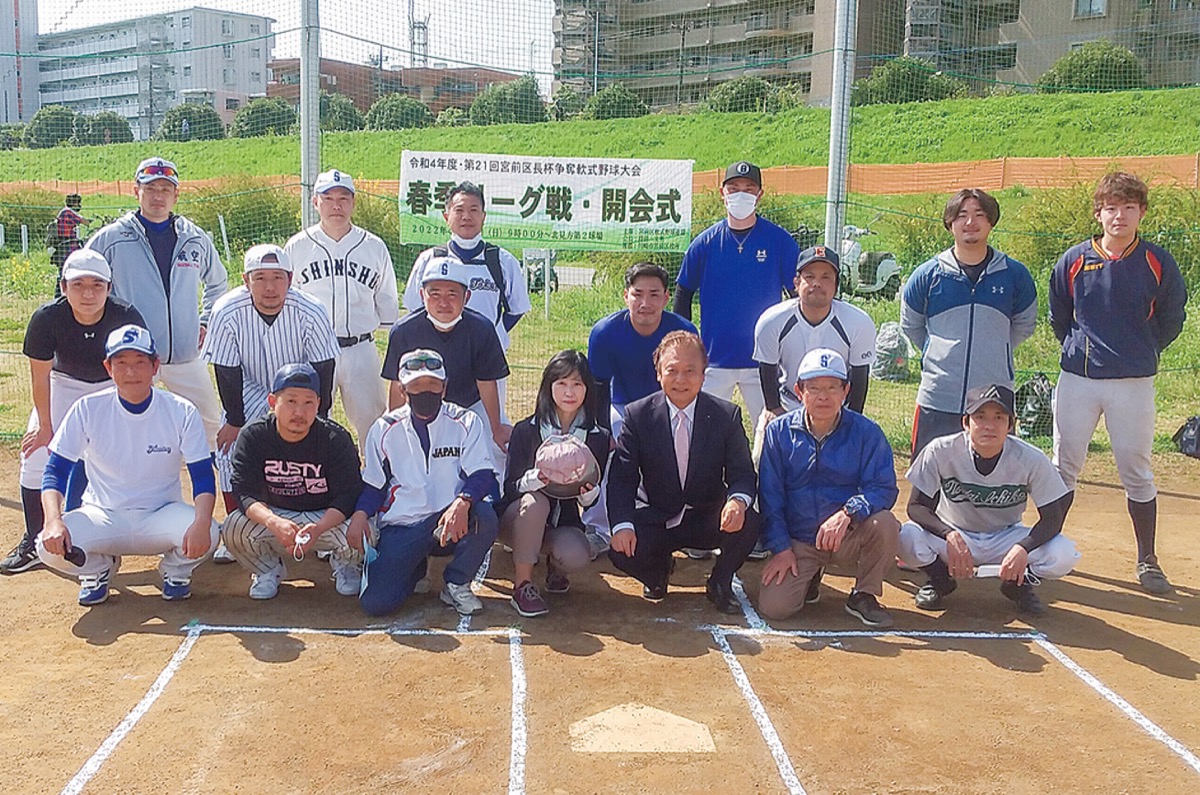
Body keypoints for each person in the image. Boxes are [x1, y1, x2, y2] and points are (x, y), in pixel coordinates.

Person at [1049, 172, 1187, 594]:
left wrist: (1141, 350)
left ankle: (1147, 559)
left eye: (1129, 207)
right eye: (1111, 207)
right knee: (1062, 467)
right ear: (1099, 213)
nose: (1119, 215)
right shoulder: (1074, 259)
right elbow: (1060, 317)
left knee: (1136, 470)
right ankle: (1046, 548)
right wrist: (1080, 350)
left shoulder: (1157, 261)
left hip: (1133, 382)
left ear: (1141, 212)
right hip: (1079, 379)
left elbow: (1172, 317)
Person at [35, 324, 219, 605]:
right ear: (108, 367)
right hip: (103, 515)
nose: (131, 372)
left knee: (211, 531)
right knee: (45, 546)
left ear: (155, 365)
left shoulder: (181, 410)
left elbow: (203, 477)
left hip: (161, 515)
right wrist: (53, 521)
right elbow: (55, 472)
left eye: (139, 362)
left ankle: (175, 570)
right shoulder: (87, 408)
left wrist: (202, 521)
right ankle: (98, 570)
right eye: (121, 363)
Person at [1, 250, 145, 575]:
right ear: (64, 287)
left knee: (110, 457)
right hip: (63, 384)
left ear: (110, 287)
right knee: (36, 455)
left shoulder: (125, 315)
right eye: (78, 284)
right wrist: (45, 427)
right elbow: (40, 377)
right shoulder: (46, 318)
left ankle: (107, 535)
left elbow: (137, 369)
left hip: (111, 386)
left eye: (97, 284)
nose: (89, 293)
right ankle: (34, 539)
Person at [607, 331, 760, 614]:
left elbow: (742, 473)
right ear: (658, 374)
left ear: (704, 374)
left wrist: (737, 501)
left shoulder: (726, 416)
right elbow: (622, 478)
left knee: (750, 520)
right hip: (658, 517)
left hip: (708, 516)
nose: (681, 379)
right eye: (672, 370)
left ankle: (720, 581)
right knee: (619, 547)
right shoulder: (637, 415)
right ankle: (658, 573)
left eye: (690, 371)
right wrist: (622, 524)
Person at [901, 384, 1080, 616]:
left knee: (1063, 553)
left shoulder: (1030, 458)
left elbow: (1053, 518)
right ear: (966, 422)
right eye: (980, 416)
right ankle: (939, 580)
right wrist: (949, 534)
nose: (989, 425)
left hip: (1005, 537)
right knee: (906, 537)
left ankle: (1018, 585)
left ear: (1010, 424)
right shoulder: (941, 450)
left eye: (999, 417)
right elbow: (915, 507)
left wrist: (1022, 549)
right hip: (956, 534)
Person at [86, 157, 226, 450]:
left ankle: (218, 489)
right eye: (150, 189)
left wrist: (205, 320)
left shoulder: (195, 238)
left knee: (212, 425)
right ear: (135, 191)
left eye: (165, 189)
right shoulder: (111, 238)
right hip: (132, 354)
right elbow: (83, 281)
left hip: (185, 354)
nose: (158, 196)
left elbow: (218, 282)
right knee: (115, 424)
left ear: (176, 194)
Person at [758, 348, 901, 627]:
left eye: (832, 387)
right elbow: (770, 497)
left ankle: (864, 594)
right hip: (800, 540)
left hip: (847, 536)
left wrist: (848, 512)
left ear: (846, 390)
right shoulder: (777, 433)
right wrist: (781, 548)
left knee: (885, 523)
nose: (823, 396)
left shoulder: (867, 432)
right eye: (814, 387)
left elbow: (884, 488)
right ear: (799, 391)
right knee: (775, 608)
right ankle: (809, 575)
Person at [353, 349, 500, 617]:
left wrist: (462, 501)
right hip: (403, 526)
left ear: (444, 388)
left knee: (485, 515)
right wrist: (361, 515)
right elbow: (374, 485)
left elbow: (482, 474)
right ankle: (415, 567)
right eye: (416, 386)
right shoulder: (383, 429)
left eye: (433, 385)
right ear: (402, 390)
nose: (425, 392)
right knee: (376, 604)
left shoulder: (466, 421)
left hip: (451, 519)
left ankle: (456, 582)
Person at [201, 244, 340, 512]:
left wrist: (319, 417)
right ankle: (235, 522)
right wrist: (234, 420)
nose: (270, 287)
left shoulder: (312, 309)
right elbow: (227, 371)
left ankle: (320, 518)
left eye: (278, 277)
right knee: (229, 449)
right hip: (250, 388)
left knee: (321, 449)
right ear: (245, 281)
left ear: (290, 278)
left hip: (301, 390)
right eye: (260, 278)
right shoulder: (226, 310)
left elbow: (324, 368)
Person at [900, 188, 1038, 458]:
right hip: (938, 396)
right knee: (928, 484)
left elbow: (1024, 325)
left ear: (991, 222)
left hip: (993, 401)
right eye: (962, 215)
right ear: (950, 223)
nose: (970, 222)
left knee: (992, 482)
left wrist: (995, 349)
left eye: (979, 215)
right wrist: (938, 354)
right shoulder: (928, 275)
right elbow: (911, 325)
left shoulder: (1014, 275)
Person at [224, 363, 365, 600]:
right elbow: (244, 492)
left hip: (324, 517)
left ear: (318, 404)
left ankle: (345, 564)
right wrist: (273, 521)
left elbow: (349, 495)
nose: (299, 412)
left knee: (366, 528)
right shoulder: (254, 435)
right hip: (277, 515)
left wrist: (320, 528)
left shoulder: (335, 438)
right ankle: (267, 569)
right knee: (233, 527)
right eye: (291, 401)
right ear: (272, 402)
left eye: (308, 402)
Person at [674, 161, 798, 425]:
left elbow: (796, 298)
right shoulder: (705, 243)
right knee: (704, 431)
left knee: (770, 430)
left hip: (763, 361)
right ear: (723, 193)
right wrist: (687, 342)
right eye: (734, 188)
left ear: (760, 195)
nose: (741, 194)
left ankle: (764, 469)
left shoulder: (779, 240)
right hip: (713, 360)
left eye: (749, 188)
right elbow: (683, 292)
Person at [285, 169, 400, 445]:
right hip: (313, 348)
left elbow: (387, 302)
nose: (336, 205)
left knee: (373, 423)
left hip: (361, 349)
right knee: (309, 419)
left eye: (343, 198)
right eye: (328, 198)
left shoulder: (374, 246)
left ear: (353, 202)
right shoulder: (297, 247)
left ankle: (376, 482)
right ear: (315, 202)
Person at [403, 181, 532, 421]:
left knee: (488, 429)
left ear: (484, 216)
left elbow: (516, 308)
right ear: (446, 216)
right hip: (435, 359)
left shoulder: (502, 260)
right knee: (431, 422)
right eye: (459, 210)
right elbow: (415, 307)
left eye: (474, 210)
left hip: (486, 363)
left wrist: (491, 334)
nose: (466, 217)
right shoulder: (429, 259)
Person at [500, 350, 610, 617]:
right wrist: (536, 479)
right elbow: (510, 487)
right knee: (535, 501)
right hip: (518, 520)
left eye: (577, 384)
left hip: (562, 524)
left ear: (587, 389)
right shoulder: (527, 430)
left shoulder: (597, 438)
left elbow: (591, 500)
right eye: (561, 383)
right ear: (548, 387)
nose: (569, 392)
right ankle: (523, 585)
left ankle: (555, 565)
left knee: (577, 555)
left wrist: (586, 492)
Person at [382, 256, 510, 455]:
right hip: (419, 405)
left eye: (452, 294)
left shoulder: (482, 329)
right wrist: (393, 429)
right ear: (422, 294)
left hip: (470, 406)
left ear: (466, 297)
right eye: (434, 293)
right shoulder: (403, 331)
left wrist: (496, 427)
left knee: (493, 456)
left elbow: (486, 383)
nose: (443, 302)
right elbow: (396, 384)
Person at [754, 245, 876, 419]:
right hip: (789, 405)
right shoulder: (771, 321)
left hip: (837, 409)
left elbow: (860, 377)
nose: (817, 283)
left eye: (826, 277)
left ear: (836, 284)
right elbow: (767, 369)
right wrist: (775, 411)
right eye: (809, 277)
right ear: (796, 283)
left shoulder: (858, 322)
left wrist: (851, 421)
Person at [587, 262, 697, 436]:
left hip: (670, 407)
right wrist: (605, 436)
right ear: (626, 296)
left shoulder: (684, 332)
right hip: (622, 408)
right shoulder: (604, 333)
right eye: (637, 294)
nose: (645, 303)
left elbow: (691, 384)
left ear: (666, 298)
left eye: (654, 295)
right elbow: (598, 390)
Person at [49, 193, 90, 293]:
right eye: (78, 203)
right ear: (74, 203)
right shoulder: (69, 212)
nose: (79, 205)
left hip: (61, 244)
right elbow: (84, 221)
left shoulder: (62, 212)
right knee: (68, 267)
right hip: (67, 244)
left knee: (63, 268)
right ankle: (62, 292)